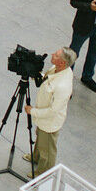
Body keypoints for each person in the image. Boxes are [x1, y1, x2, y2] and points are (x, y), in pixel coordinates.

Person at [25, 48, 75, 176]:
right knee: (40, 138)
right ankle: (36, 157)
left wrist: (33, 111)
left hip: (49, 121)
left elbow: (53, 111)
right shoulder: (57, 68)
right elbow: (47, 78)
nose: (53, 54)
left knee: (47, 148)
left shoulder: (62, 86)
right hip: (43, 118)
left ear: (62, 63)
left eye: (56, 55)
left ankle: (43, 172)